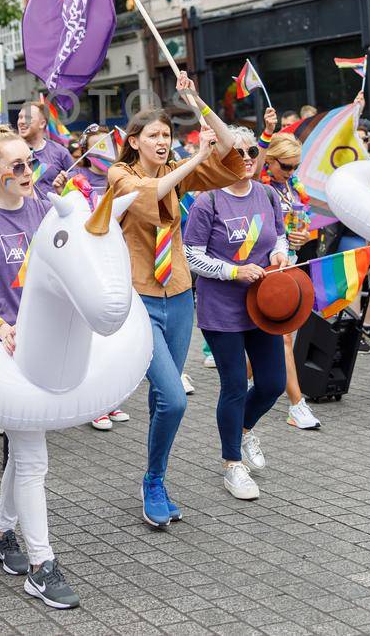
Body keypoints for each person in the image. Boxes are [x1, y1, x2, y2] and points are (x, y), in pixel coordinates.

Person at [107, 72, 246, 528]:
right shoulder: (120, 174)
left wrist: (197, 102)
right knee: (175, 398)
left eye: (168, 134)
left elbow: (231, 157)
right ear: (134, 141)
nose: (163, 142)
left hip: (180, 294)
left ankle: (156, 479)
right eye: (154, 135)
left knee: (161, 401)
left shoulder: (175, 169)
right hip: (141, 298)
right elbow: (150, 196)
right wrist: (193, 160)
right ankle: (152, 480)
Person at [0, 126, 77, 609]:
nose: (29, 172)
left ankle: (3, 534)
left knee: (24, 450)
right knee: (33, 456)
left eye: (32, 162)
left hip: (43, 346)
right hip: (2, 349)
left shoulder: (42, 207)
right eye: (19, 166)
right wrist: (1, 328)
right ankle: (43, 565)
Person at [183, 126, 293, 501]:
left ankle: (244, 430)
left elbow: (278, 235)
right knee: (232, 385)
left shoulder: (266, 193)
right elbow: (191, 255)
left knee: (273, 383)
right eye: (238, 152)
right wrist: (234, 271)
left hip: (263, 305)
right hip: (222, 309)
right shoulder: (207, 201)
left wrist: (281, 254)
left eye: (251, 152)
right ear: (220, 157)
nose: (246, 158)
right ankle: (232, 463)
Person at [261, 132, 322, 430]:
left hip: (292, 262)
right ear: (269, 162)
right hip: (265, 267)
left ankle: (245, 378)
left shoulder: (292, 186)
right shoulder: (260, 189)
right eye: (286, 166)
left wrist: (304, 235)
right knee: (283, 335)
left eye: (296, 166)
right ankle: (297, 405)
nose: (291, 172)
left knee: (268, 334)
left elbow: (305, 222)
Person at [16, 99, 73, 199]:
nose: (21, 122)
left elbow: (74, 187)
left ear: (42, 124)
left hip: (52, 212)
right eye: (20, 117)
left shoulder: (60, 152)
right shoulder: (9, 151)